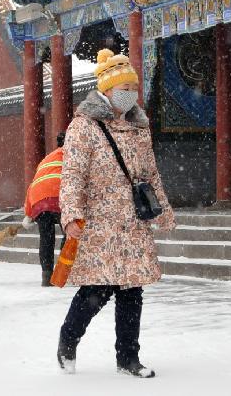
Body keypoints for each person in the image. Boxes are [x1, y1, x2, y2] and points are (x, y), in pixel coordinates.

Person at [56, 49, 175, 378]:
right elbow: (72, 176)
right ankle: (68, 338)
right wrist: (71, 215)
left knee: (132, 290)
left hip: (133, 222)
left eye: (133, 88)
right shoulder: (84, 127)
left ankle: (128, 358)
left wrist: (162, 210)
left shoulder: (140, 127)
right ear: (105, 90)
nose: (129, 94)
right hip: (99, 222)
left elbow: (150, 176)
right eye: (123, 88)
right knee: (97, 289)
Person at [23, 131, 66, 286]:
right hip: (61, 196)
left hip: (40, 200)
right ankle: (62, 273)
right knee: (71, 234)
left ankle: (47, 276)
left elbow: (34, 184)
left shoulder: (47, 159)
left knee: (46, 238)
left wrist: (28, 213)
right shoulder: (74, 154)